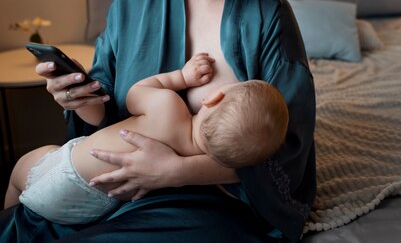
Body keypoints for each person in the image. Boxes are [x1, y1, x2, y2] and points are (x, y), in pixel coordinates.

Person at [0, 0, 316, 242]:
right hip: (110, 187)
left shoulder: (266, 15)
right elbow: (105, 116)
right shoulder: (132, 1)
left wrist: (175, 171)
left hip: (206, 199)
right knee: (22, 225)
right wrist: (81, 100)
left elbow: (286, 151)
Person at [4, 53, 289, 225]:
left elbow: (135, 92)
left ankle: (8, 215)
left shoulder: (169, 108)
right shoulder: (201, 163)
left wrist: (183, 76)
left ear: (212, 98)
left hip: (67, 176)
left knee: (23, 169)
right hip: (97, 208)